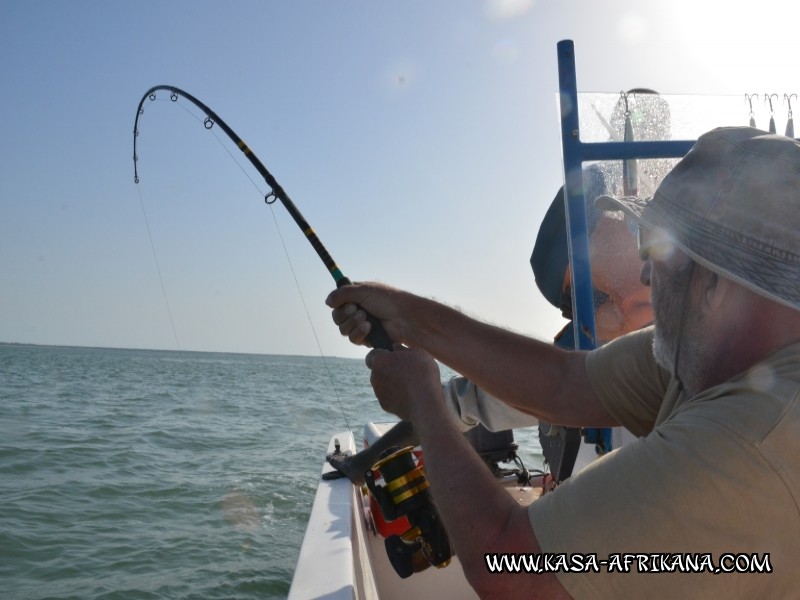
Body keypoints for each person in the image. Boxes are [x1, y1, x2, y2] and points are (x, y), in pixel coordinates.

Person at [327, 127, 800, 598]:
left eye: (657, 249)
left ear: (715, 281)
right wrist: (409, 316)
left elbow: (512, 572)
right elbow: (564, 382)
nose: (644, 271)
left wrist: (424, 405)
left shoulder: (761, 438)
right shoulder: (710, 349)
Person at [326, 176, 653, 485]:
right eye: (632, 226)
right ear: (599, 318)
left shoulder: (668, 361)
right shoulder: (597, 371)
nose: (651, 249)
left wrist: (406, 321)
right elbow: (461, 403)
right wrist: (403, 318)